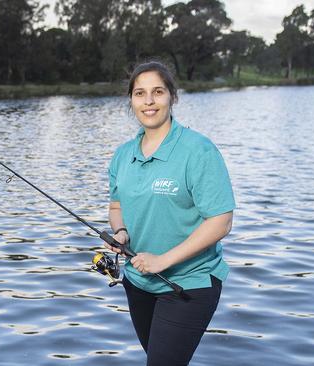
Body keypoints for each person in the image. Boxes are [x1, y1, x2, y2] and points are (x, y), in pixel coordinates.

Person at [105, 60, 235, 366]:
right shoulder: (123, 155)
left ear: (171, 97)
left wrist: (163, 260)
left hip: (189, 283)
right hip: (138, 282)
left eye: (157, 92)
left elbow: (221, 221)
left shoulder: (198, 150)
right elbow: (116, 207)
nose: (148, 101)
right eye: (140, 93)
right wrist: (120, 232)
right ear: (131, 100)